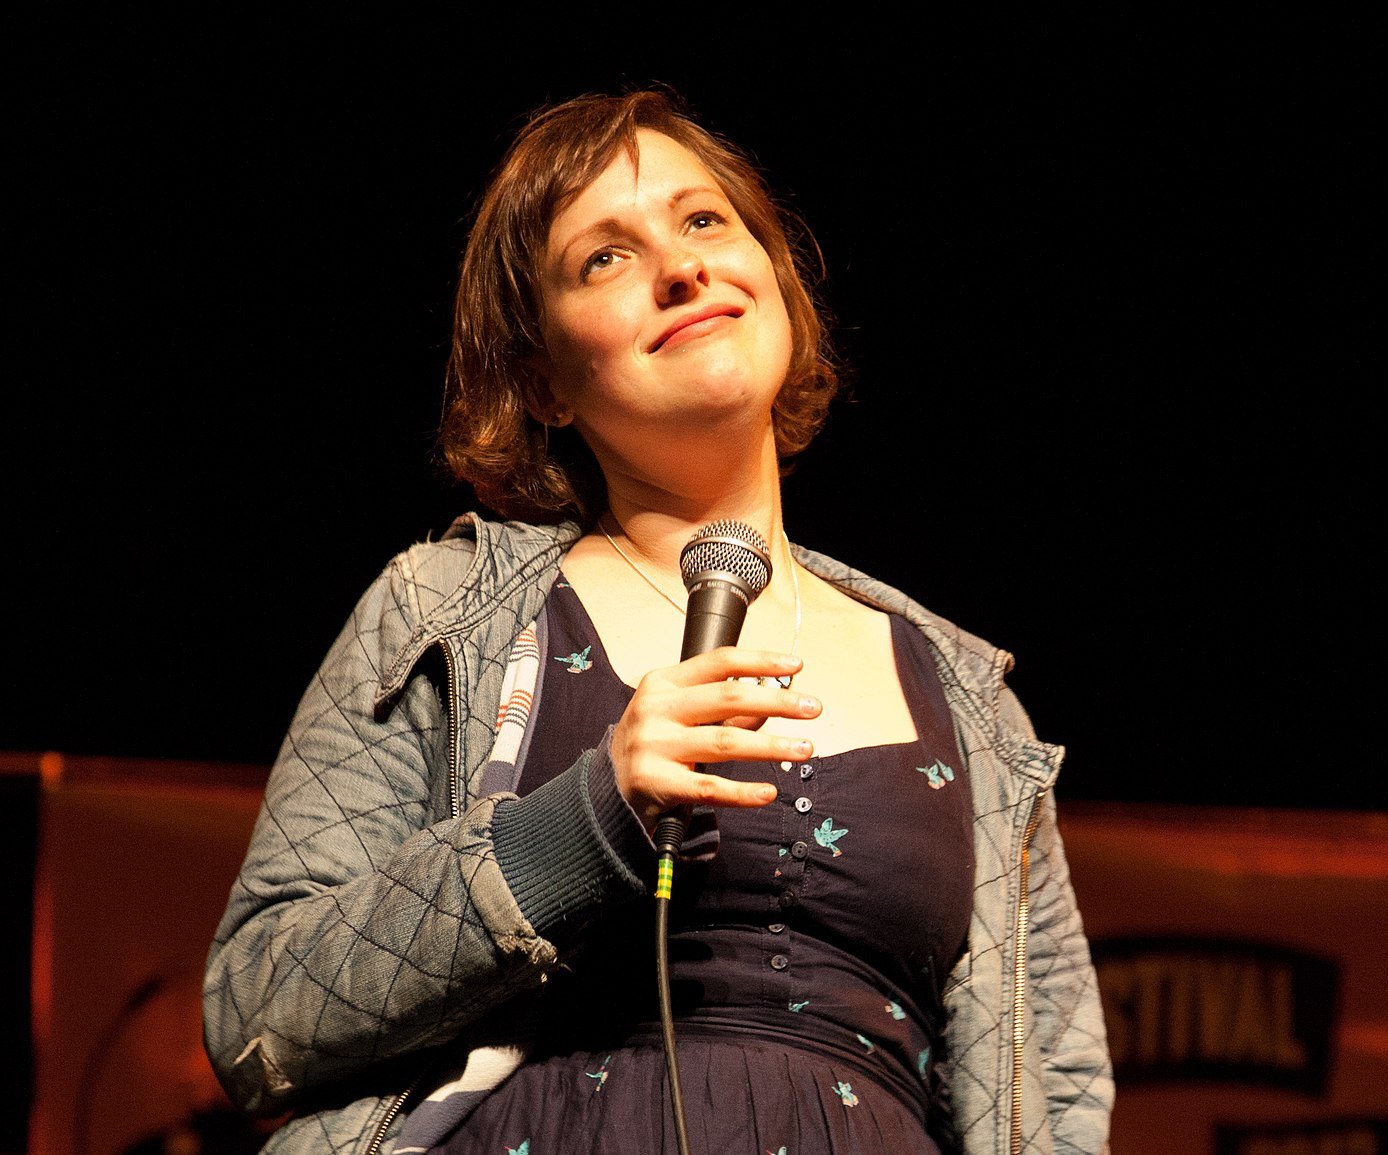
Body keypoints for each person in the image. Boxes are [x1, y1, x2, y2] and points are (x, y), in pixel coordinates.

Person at [202, 87, 1113, 1154]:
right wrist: (579, 823)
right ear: (541, 380)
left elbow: (1055, 1100)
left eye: (703, 222)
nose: (680, 268)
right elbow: (256, 1010)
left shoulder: (970, 699)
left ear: (772, 278)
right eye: (604, 257)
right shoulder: (442, 611)